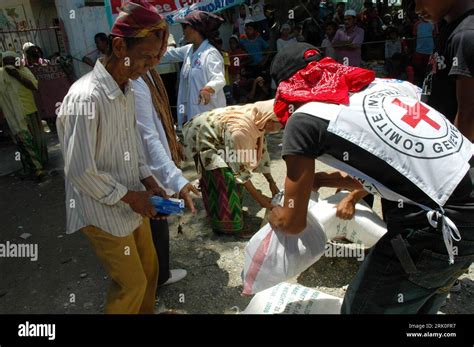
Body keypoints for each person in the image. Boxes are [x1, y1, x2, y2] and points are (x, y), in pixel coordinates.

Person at [268, 42, 474, 314]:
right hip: (465, 202)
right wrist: (322, 181)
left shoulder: (304, 119)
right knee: (423, 300)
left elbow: (293, 222)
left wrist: (275, 213)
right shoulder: (386, 86)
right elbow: (399, 167)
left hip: (440, 222)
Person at [56, 0, 169, 314]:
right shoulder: (84, 97)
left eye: (155, 58)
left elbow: (131, 141)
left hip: (130, 200)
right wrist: (134, 197)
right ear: (120, 47)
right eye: (147, 57)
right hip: (100, 210)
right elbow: (79, 170)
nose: (151, 66)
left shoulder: (128, 88)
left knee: (149, 273)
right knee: (131, 285)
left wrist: (150, 183)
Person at [133, 69, 199, 288]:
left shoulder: (148, 72)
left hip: (150, 166)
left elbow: (156, 125)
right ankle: (158, 277)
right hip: (144, 167)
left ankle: (157, 274)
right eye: (153, 51)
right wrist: (176, 180)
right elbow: (147, 136)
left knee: (157, 220)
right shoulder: (135, 82)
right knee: (154, 221)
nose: (159, 57)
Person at [183, 100, 281, 238]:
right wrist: (260, 200)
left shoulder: (258, 121)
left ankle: (232, 215)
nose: (280, 128)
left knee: (231, 177)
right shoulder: (241, 131)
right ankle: (228, 226)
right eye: (279, 124)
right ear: (269, 120)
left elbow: (261, 151)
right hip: (204, 137)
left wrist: (271, 182)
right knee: (225, 178)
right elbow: (240, 171)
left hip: (220, 136)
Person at [418, 0, 474, 141]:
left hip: (454, 153)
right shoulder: (448, 27)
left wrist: (449, 159)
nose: (417, 9)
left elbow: (468, 116)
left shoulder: (466, 35)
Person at [160, 11, 226, 129]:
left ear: (196, 29)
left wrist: (208, 89)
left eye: (185, 27)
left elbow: (219, 78)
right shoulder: (188, 50)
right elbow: (168, 54)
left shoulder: (210, 54)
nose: (183, 31)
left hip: (209, 119)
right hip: (191, 117)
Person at [0, 51, 48, 180]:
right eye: (7, 62)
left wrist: (17, 75)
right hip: (14, 116)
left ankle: (41, 163)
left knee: (37, 140)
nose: (9, 65)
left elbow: (34, 86)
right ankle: (35, 169)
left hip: (29, 111)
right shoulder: (1, 75)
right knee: (24, 142)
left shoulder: (24, 71)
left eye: (12, 61)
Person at [412, 17, 434, 85]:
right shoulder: (417, 24)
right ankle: (419, 84)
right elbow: (414, 34)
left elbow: (435, 34)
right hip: (419, 50)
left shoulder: (433, 23)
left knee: (430, 71)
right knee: (418, 70)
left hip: (430, 50)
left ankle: (428, 85)